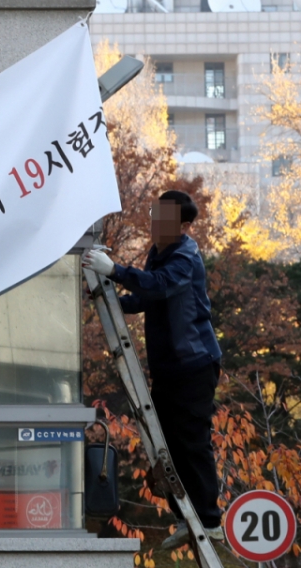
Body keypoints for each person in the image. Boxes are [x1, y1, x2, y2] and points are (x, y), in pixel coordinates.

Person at [83, 190, 224, 550]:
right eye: (154, 214)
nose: (155, 223)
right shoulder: (158, 252)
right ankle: (185, 518)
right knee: (167, 446)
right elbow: (147, 297)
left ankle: (209, 521)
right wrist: (111, 299)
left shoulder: (185, 257)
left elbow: (159, 286)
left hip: (193, 365)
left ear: (184, 225)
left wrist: (114, 271)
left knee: (192, 442)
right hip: (169, 367)